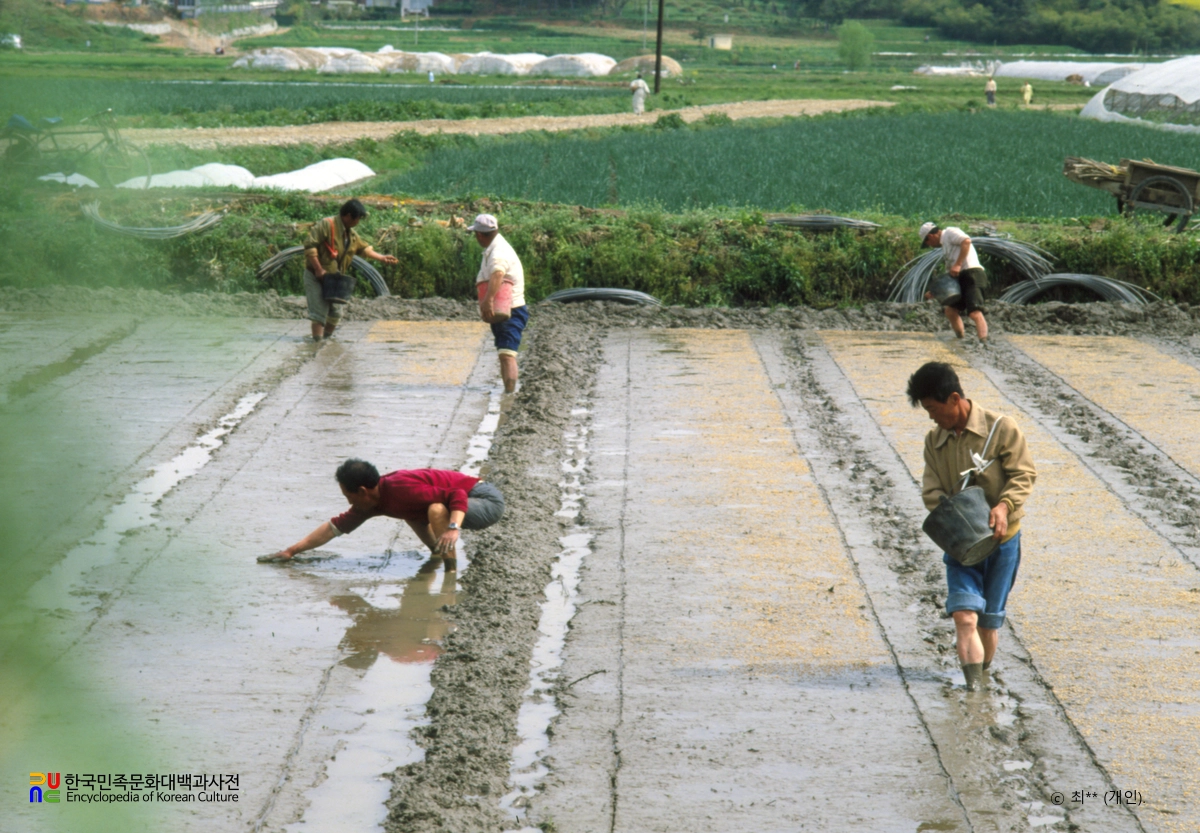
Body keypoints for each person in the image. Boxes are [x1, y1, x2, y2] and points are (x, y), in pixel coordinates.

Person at [907, 362, 1036, 692]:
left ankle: (980, 677)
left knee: (988, 624)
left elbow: (1023, 474)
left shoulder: (1002, 428)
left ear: (954, 399)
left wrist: (1003, 507)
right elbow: (932, 492)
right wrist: (954, 519)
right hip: (961, 546)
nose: (932, 417)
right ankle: (973, 693)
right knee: (964, 616)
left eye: (934, 409)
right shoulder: (934, 441)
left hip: (1002, 541)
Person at [267, 459, 505, 573]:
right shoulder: (370, 503)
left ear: (362, 491)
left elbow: (456, 494)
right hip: (459, 502)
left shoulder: (401, 488)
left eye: (348, 496)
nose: (348, 502)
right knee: (412, 511)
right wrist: (291, 551)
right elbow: (333, 528)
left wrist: (453, 527)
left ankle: (450, 571)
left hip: (484, 500)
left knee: (434, 509)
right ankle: (436, 552)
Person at [303, 199, 398, 342]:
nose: (358, 222)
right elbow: (310, 246)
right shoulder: (326, 225)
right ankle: (316, 345)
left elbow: (363, 249)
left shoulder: (350, 234)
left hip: (334, 278)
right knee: (319, 312)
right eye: (358, 218)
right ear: (348, 216)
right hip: (316, 275)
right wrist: (318, 269)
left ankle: (325, 342)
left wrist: (382, 258)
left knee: (336, 313)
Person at [469, 213, 528, 394]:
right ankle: (507, 391)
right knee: (504, 353)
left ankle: (509, 396)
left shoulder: (498, 252)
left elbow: (498, 274)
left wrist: (488, 300)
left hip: (511, 309)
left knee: (507, 355)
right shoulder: (495, 247)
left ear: (479, 235)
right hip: (505, 307)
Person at [918, 222, 990, 341]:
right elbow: (950, 277)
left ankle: (984, 343)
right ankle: (960, 339)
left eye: (928, 243)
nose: (930, 246)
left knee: (974, 312)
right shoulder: (945, 246)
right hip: (961, 276)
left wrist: (958, 264)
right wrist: (934, 292)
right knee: (950, 311)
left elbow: (966, 241)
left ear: (930, 237)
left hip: (972, 273)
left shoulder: (950, 232)